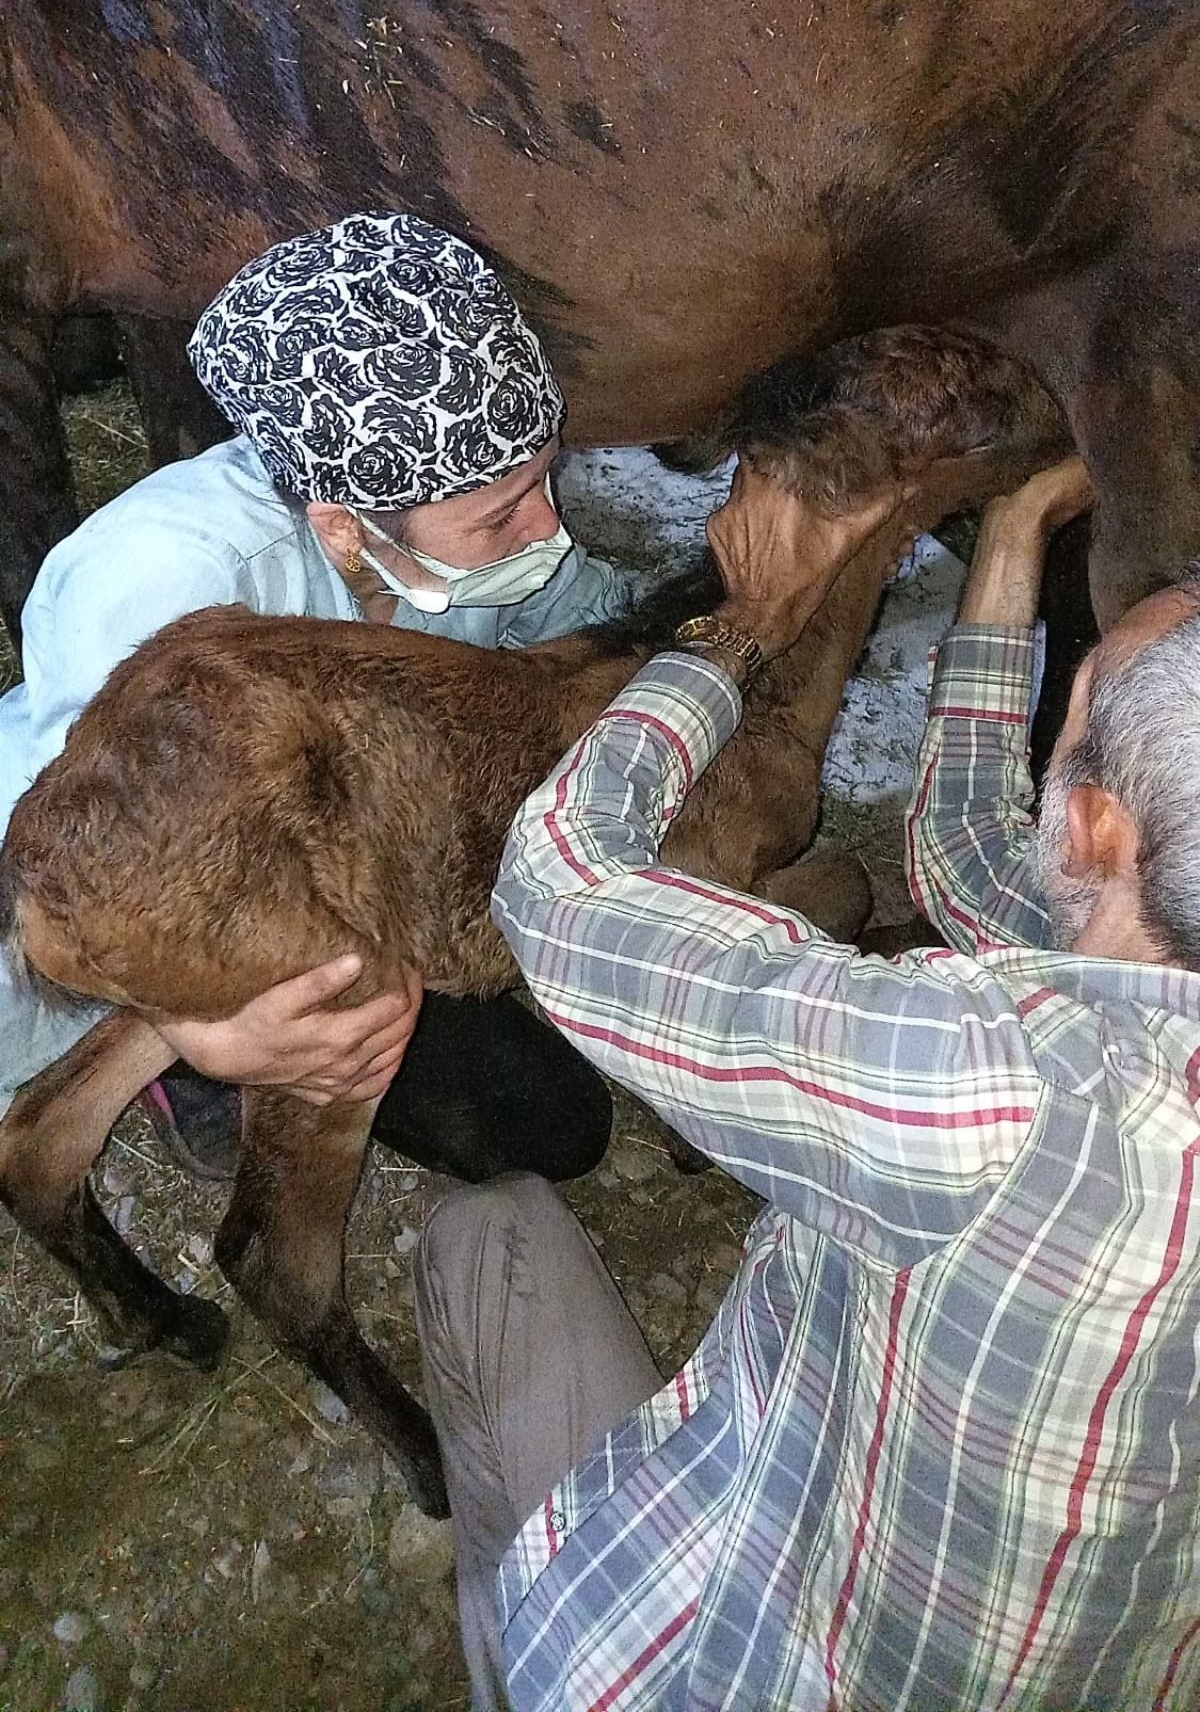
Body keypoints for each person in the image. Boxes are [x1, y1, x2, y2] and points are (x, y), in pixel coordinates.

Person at [409, 449, 1200, 1712]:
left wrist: (742, 628)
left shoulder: (982, 1086)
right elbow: (970, 869)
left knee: (482, 1232)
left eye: (1079, 718)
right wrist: (1009, 536)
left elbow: (558, 879)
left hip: (755, 1670)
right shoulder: (1126, 966)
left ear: (1099, 828)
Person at [0, 211, 626, 1178]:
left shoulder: (475, 530)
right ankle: (167, 1060)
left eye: (549, 480)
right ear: (343, 529)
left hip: (339, 850)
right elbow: (90, 862)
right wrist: (209, 1029)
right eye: (502, 514)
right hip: (117, 888)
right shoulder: (156, 577)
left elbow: (587, 612)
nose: (545, 526)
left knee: (550, 1125)